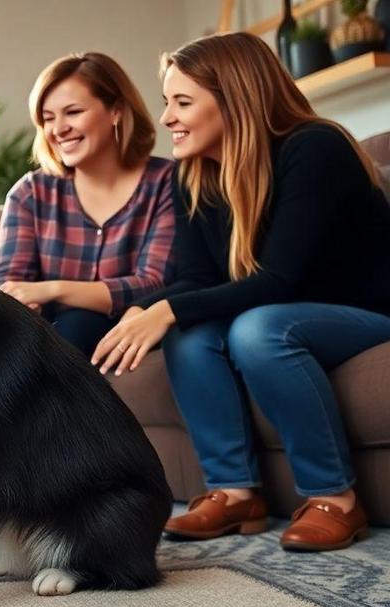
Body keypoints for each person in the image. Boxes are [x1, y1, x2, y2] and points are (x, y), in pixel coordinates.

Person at [92, 32, 390, 551]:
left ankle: (335, 499)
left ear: (236, 99)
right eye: (168, 102)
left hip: (366, 312)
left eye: (183, 102)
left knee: (259, 329)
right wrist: (144, 312)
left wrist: (165, 308)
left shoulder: (315, 148)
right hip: (289, 312)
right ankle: (234, 494)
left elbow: (279, 281)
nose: (167, 119)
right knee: (189, 333)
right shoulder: (192, 176)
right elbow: (199, 283)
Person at [0, 52, 175, 357]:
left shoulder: (166, 182)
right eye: (48, 118)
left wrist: (52, 289)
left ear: (116, 110)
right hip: (60, 331)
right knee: (75, 324)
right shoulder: (30, 193)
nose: (58, 129)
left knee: (79, 324)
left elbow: (153, 282)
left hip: (141, 325)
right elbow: (10, 289)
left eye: (72, 112)